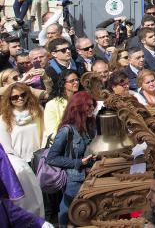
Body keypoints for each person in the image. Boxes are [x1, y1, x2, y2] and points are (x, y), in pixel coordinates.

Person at [45, 91, 97, 226]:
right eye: (89, 106)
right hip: (74, 179)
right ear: (78, 107)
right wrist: (78, 162)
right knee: (68, 212)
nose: (92, 108)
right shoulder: (66, 130)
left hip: (91, 176)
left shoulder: (91, 125)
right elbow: (51, 158)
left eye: (93, 105)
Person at [0, 82, 43, 162]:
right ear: (9, 99)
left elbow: (44, 133)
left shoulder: (38, 110)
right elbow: (7, 147)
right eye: (15, 97)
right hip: (20, 162)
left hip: (39, 158)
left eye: (23, 95)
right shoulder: (4, 118)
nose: (20, 98)